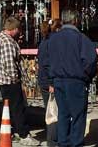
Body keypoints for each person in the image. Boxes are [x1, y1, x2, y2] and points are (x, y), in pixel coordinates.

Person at [45, 10, 97, 147]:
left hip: (58, 80)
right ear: (75, 21)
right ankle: (76, 143)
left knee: (63, 114)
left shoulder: (53, 39)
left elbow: (47, 61)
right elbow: (90, 61)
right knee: (78, 115)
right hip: (75, 80)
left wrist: (51, 80)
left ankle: (63, 142)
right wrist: (86, 75)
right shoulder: (81, 38)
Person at [0, 17, 39, 146]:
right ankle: (23, 134)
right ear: (15, 29)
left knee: (8, 108)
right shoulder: (7, 41)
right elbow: (9, 62)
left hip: (1, 79)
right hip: (9, 80)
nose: (19, 32)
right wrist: (15, 78)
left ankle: (10, 131)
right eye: (18, 29)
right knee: (18, 108)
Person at [37, 18, 62, 147]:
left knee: (50, 110)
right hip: (50, 82)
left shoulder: (44, 42)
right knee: (53, 112)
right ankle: (53, 141)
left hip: (44, 80)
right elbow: (49, 64)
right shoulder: (52, 42)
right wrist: (52, 82)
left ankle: (53, 139)